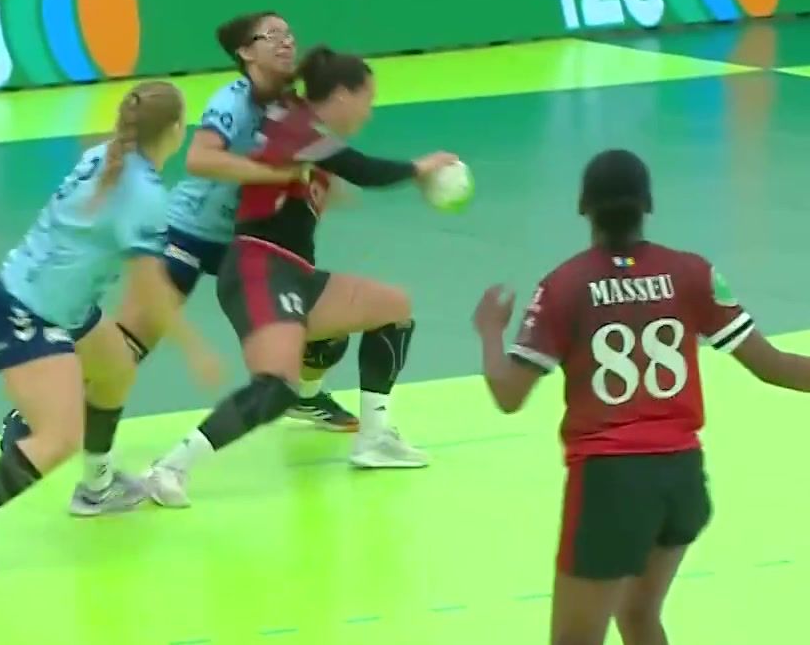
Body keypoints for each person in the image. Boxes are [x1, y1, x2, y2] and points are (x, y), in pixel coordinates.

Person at [0, 12, 360, 506]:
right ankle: (35, 413)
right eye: (271, 36)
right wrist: (274, 176)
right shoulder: (232, 101)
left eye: (289, 34)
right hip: (190, 231)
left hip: (247, 241)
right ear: (245, 53)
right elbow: (200, 159)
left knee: (319, 321)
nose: (285, 42)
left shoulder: (290, 106)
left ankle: (306, 396)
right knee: (132, 343)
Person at [471, 148, 810, 645]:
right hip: (682, 482)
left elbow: (508, 395)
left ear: (583, 207)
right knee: (638, 614)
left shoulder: (565, 286)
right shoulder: (691, 272)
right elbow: (773, 365)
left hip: (610, 484)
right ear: (647, 205)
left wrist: (489, 331)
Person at [0, 81, 217, 577]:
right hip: (26, 310)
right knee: (58, 437)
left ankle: (97, 488)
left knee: (116, 369)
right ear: (174, 130)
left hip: (62, 303)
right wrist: (196, 350)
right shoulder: (144, 194)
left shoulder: (107, 156)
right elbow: (151, 291)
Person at [144, 46, 461, 506]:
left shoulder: (302, 130)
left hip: (295, 273)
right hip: (259, 268)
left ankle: (375, 439)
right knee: (275, 387)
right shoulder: (297, 126)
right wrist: (419, 169)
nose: (369, 112)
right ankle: (169, 468)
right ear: (344, 95)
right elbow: (363, 169)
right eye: (368, 99)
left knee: (393, 308)